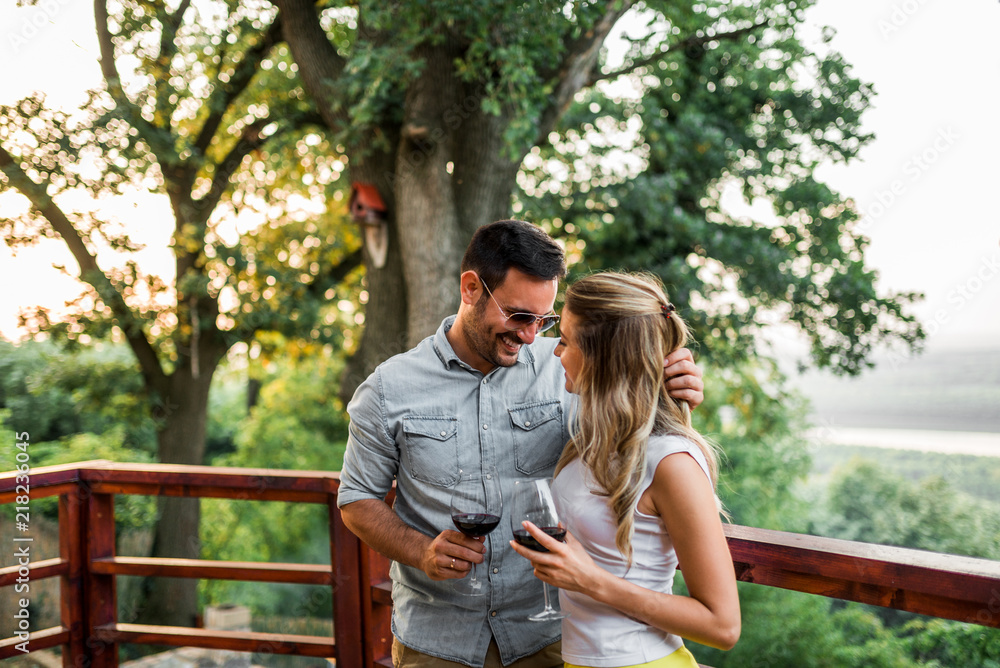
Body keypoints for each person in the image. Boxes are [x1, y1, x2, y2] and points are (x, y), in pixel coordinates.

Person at [337, 221, 706, 668]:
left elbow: (634, 436)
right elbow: (357, 499)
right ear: (471, 288)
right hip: (437, 641)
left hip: (550, 638)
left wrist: (670, 386)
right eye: (519, 316)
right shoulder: (388, 388)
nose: (532, 335)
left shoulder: (568, 369)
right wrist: (421, 551)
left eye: (544, 319)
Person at [510, 271, 740, 668]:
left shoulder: (672, 462)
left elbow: (722, 626)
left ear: (603, 356)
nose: (554, 352)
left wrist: (591, 580)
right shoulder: (595, 440)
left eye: (565, 340)